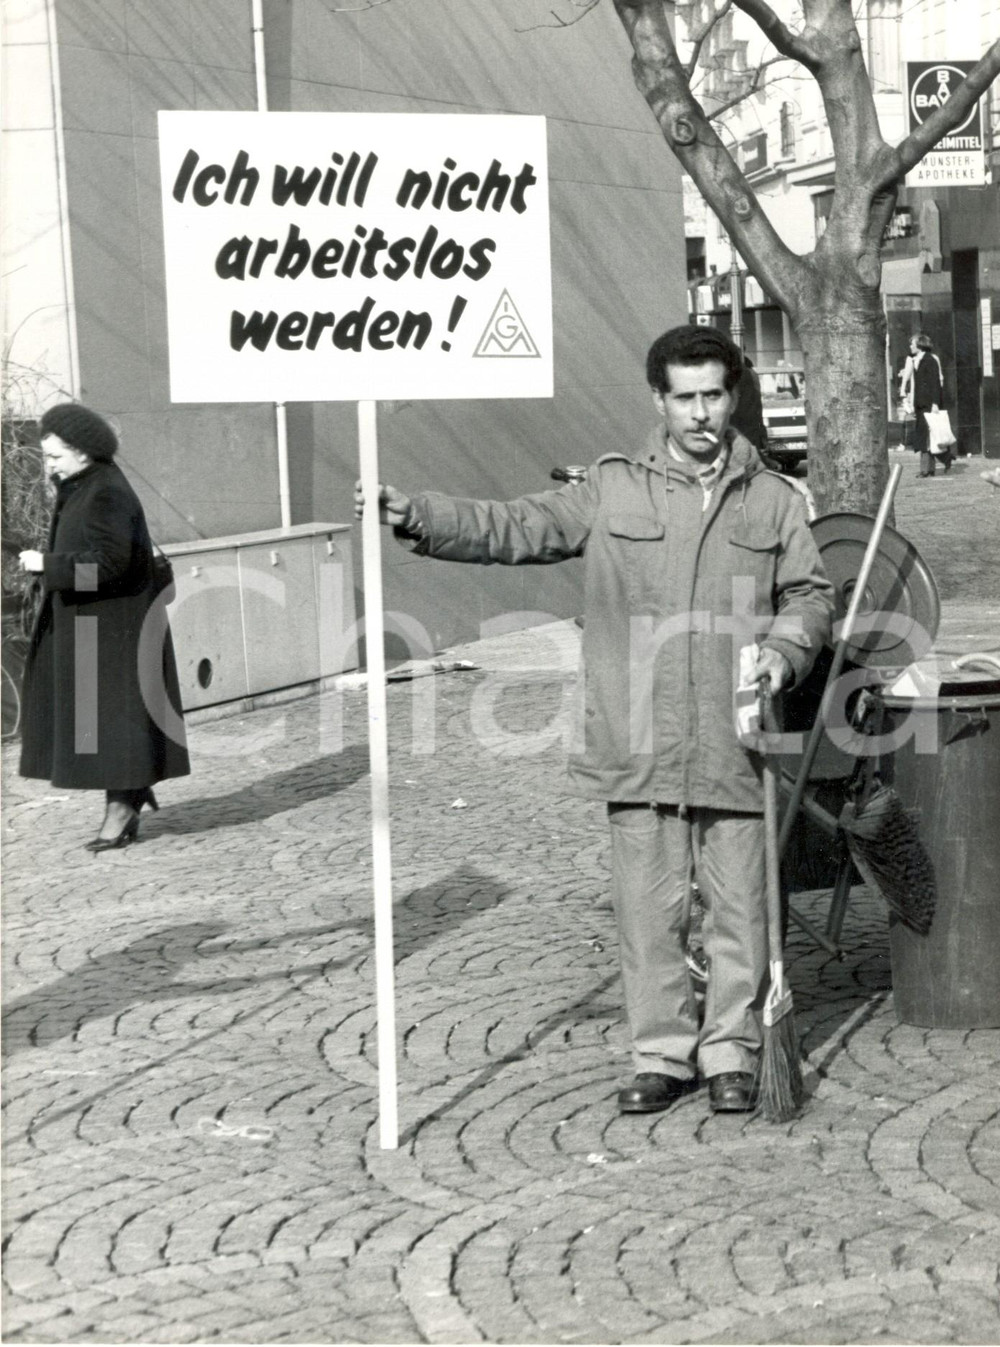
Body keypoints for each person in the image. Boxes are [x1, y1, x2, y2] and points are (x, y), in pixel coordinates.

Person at [356, 325, 834, 1115]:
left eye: (715, 393)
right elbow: (515, 527)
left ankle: (732, 1050)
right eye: (685, 397)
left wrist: (786, 649)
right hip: (637, 730)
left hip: (735, 734)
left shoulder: (776, 500)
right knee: (650, 909)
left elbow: (809, 595)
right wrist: (419, 515)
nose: (701, 413)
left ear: (734, 395)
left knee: (740, 906)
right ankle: (661, 1052)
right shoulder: (611, 489)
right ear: (659, 401)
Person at [18, 404, 190, 850]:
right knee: (105, 720)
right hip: (99, 623)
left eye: (55, 456)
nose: (49, 465)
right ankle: (129, 791)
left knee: (112, 719)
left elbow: (111, 565)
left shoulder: (104, 490)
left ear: (82, 452)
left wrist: (48, 565)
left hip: (115, 627)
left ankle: (123, 805)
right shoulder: (84, 484)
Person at [900, 333, 949, 477]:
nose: (910, 346)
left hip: (928, 404)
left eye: (912, 344)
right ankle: (933, 467)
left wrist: (935, 403)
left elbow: (935, 384)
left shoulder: (930, 360)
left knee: (927, 438)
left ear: (920, 345)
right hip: (920, 404)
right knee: (925, 437)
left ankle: (926, 469)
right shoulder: (916, 360)